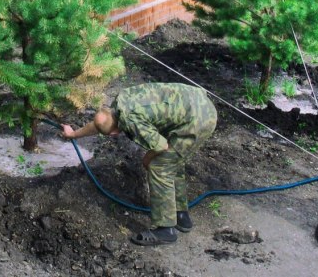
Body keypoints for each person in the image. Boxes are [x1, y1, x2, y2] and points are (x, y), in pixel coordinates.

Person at [61, 82, 218, 246]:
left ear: (114, 134)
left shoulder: (130, 121)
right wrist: (73, 134)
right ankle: (180, 215)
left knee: (160, 166)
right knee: (172, 160)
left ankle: (165, 230)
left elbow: (161, 146)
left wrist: (147, 160)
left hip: (199, 120)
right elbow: (99, 124)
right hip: (197, 102)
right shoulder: (119, 103)